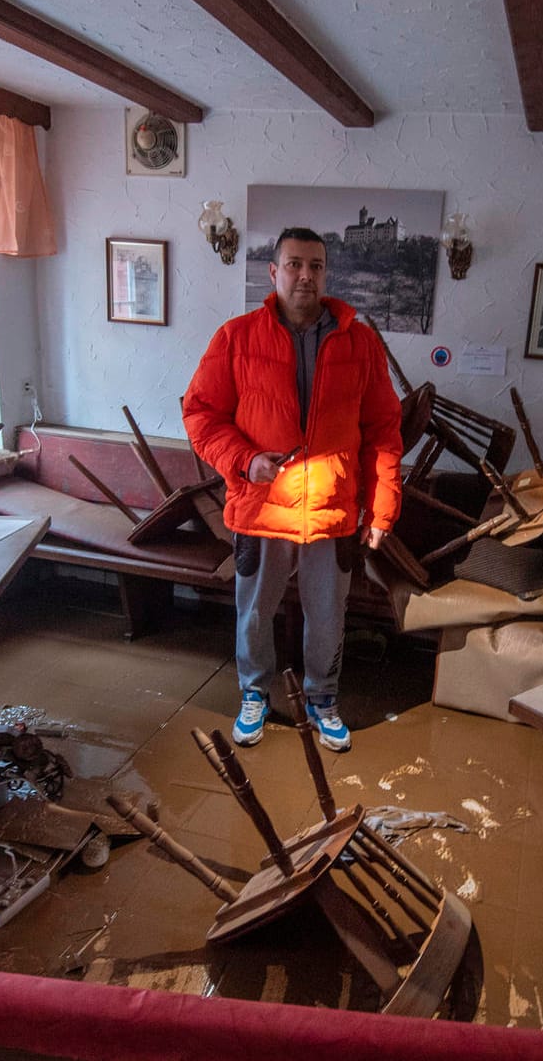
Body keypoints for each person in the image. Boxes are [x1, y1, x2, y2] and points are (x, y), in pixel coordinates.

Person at [183, 227, 404, 751]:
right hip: (261, 508)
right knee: (255, 611)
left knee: (328, 614)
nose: (307, 275)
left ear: (327, 273)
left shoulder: (360, 340)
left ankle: (323, 699)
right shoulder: (235, 338)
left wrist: (382, 508)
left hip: (333, 509)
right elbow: (200, 414)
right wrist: (245, 459)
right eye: (295, 264)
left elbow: (384, 429)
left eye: (317, 266)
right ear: (274, 272)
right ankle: (254, 694)